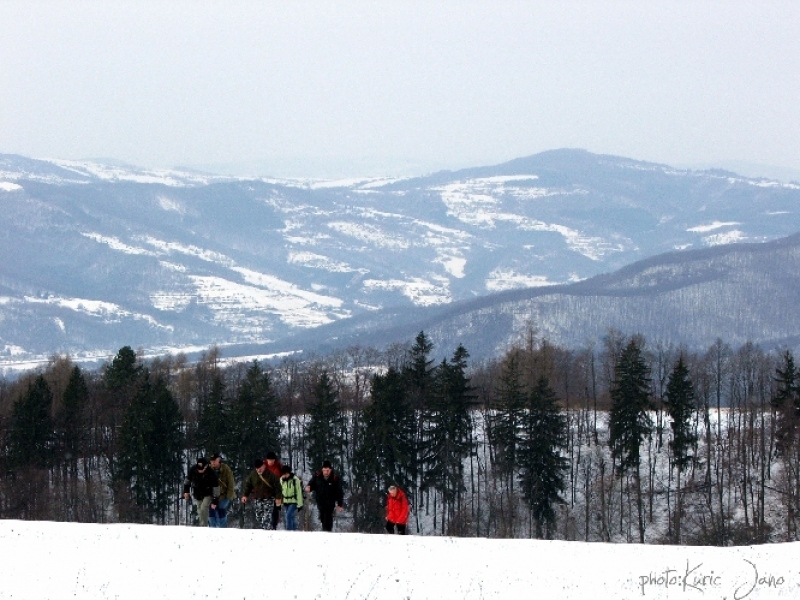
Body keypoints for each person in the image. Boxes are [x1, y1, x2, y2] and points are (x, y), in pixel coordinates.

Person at [241, 458, 283, 530]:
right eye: (257, 469)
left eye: (259, 468)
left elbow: (278, 487)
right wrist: (245, 495)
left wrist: (278, 498)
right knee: (259, 517)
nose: (258, 470)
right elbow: (248, 485)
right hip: (258, 498)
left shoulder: (271, 475)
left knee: (266, 517)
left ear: (263, 466)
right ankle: (268, 529)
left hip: (269, 498)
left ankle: (266, 532)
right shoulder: (253, 474)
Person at [305, 460, 344, 532]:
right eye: (324, 470)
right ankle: (325, 530)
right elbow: (312, 484)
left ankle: (327, 531)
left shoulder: (335, 478)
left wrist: (340, 504)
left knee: (328, 516)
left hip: (330, 502)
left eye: (327, 470)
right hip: (320, 501)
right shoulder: (317, 476)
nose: (326, 472)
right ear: (322, 470)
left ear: (330, 470)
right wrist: (309, 487)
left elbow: (339, 492)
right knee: (323, 517)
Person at [182, 457, 220, 527]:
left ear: (206, 467)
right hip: (197, 493)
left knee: (203, 508)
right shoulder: (193, 469)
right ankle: (202, 524)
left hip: (208, 493)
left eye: (201, 470)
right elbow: (187, 481)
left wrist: (215, 500)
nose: (200, 471)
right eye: (198, 469)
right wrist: (186, 491)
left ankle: (203, 526)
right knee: (199, 510)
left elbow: (216, 487)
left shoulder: (211, 472)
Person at [208, 453, 235, 528]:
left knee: (221, 509)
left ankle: (223, 528)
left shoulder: (225, 468)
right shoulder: (208, 469)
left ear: (219, 460)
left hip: (224, 495)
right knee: (211, 510)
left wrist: (229, 496)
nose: (213, 462)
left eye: (214, 460)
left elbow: (231, 483)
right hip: (213, 495)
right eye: (211, 461)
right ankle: (212, 527)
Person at [279, 464, 304, 531]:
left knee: (288, 515)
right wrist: (280, 501)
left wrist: (300, 504)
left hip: (294, 501)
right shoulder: (281, 480)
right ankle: (294, 531)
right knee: (291, 517)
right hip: (286, 501)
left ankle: (289, 531)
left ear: (289, 473)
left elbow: (299, 492)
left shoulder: (295, 480)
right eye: (283, 474)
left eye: (286, 473)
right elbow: (281, 491)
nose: (285, 475)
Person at [264, 451, 284, 530]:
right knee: (266, 508)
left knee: (275, 509)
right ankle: (266, 525)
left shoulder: (279, 466)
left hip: (276, 490)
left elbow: (284, 475)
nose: (270, 462)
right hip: (266, 490)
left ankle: (274, 525)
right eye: (269, 460)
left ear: (274, 460)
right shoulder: (263, 465)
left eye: (272, 460)